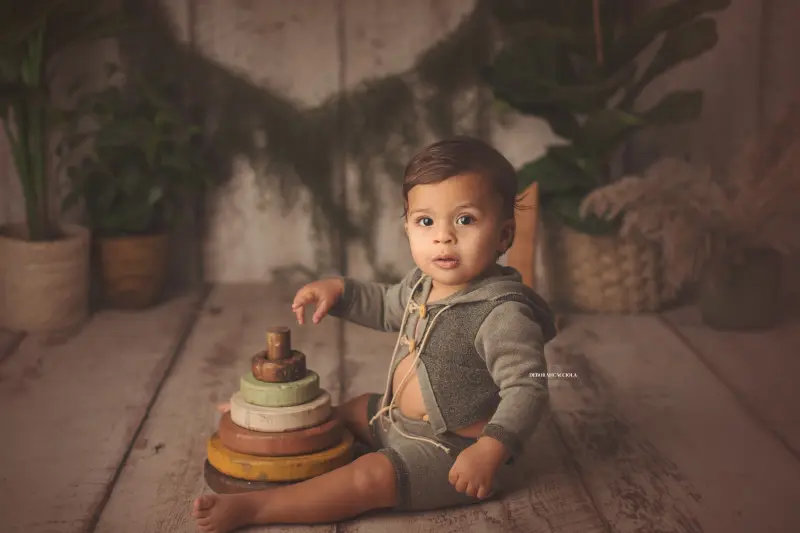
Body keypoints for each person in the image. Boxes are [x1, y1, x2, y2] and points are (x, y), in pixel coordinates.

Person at [192, 136, 557, 533]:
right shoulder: (423, 283)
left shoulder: (502, 313)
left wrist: (491, 449)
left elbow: (528, 387)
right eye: (426, 221)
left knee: (368, 478)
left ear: (504, 236)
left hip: (453, 453)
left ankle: (257, 509)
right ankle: (268, 426)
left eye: (465, 219)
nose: (444, 236)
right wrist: (341, 291)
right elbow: (385, 306)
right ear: (407, 227)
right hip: (395, 419)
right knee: (345, 412)